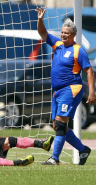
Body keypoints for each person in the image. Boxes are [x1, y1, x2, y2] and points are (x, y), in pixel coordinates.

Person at [36, 7, 96, 165]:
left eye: (66, 33)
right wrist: (40, 19)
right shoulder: (57, 44)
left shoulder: (78, 51)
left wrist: (92, 92)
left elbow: (89, 72)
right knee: (57, 125)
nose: (63, 35)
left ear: (74, 34)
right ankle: (83, 150)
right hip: (57, 91)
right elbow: (43, 34)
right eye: (62, 32)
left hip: (71, 89)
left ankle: (54, 159)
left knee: (62, 124)